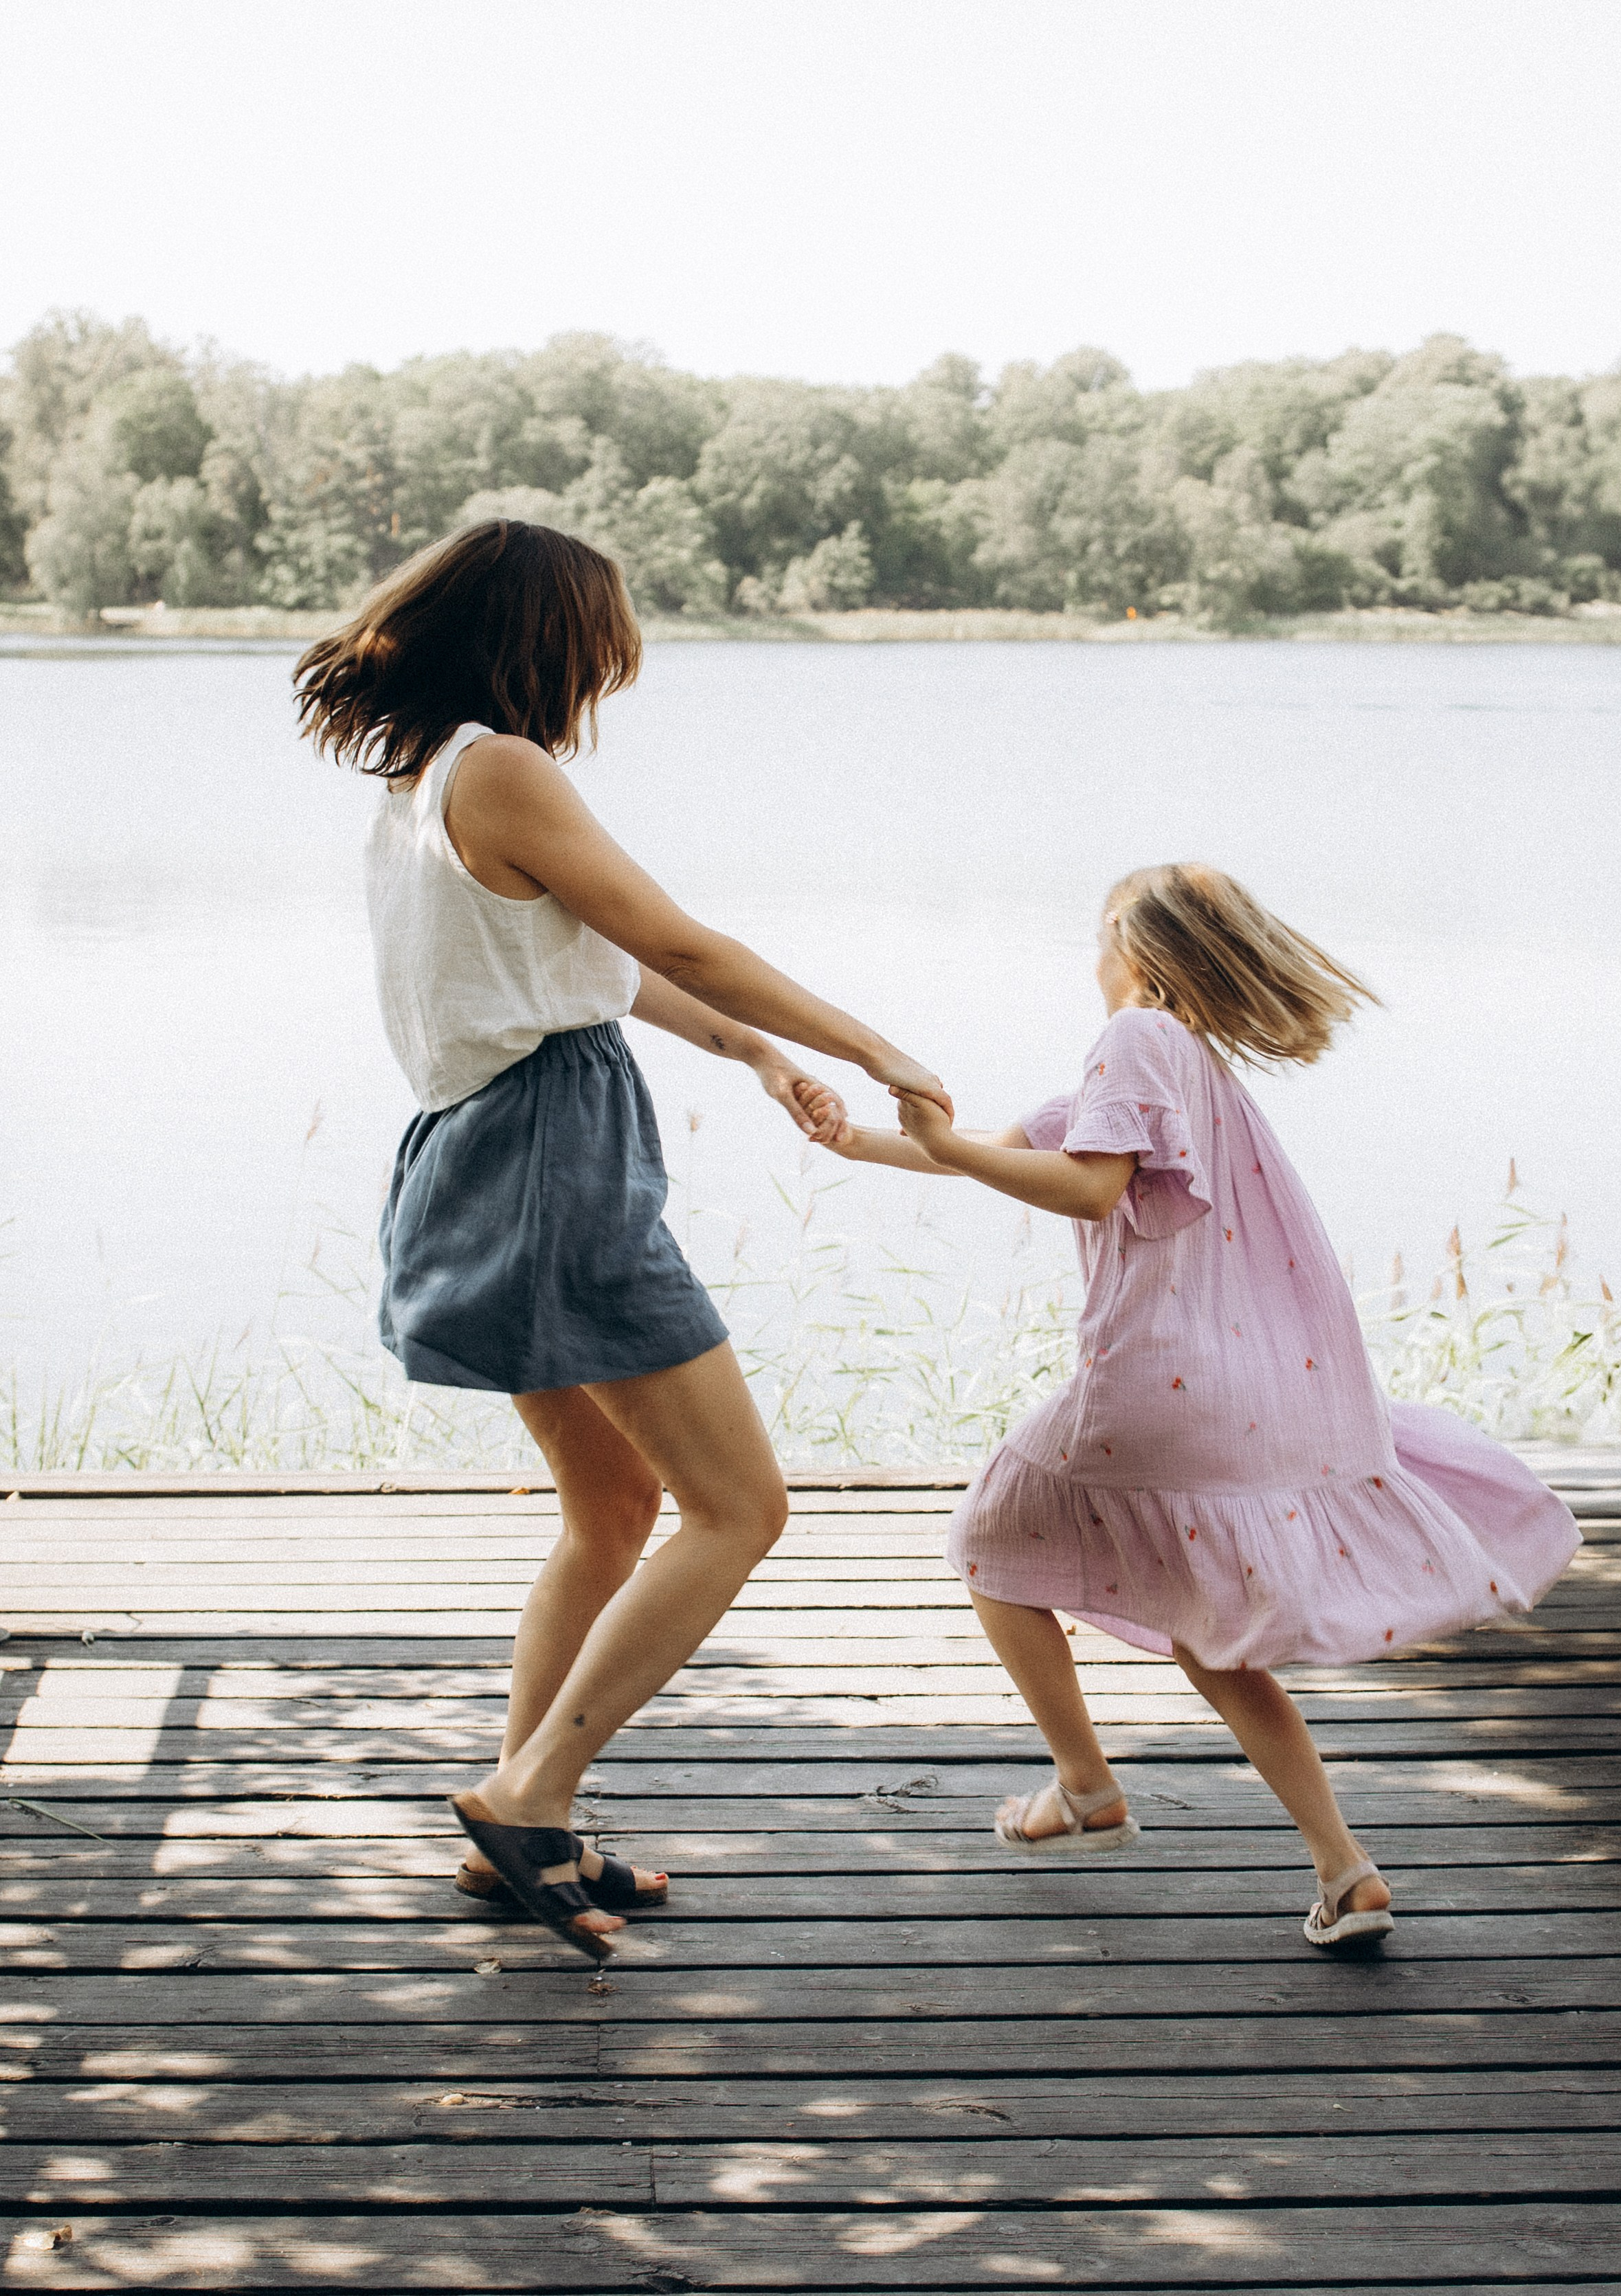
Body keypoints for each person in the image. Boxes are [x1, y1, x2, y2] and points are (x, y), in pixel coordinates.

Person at [295, 518, 948, 1963]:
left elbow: (598, 963)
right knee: (741, 1506)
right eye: (604, 636)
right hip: (552, 1161)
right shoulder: (506, 769)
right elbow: (684, 937)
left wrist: (755, 1059)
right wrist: (872, 1041)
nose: (612, 663)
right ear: (547, 637)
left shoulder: (424, 780)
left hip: (476, 1157)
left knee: (610, 1510)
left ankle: (523, 1827)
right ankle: (530, 1795)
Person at [802, 863, 1578, 1948]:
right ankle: (1346, 1869)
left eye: (1098, 929)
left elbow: (1085, 1188)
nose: (1091, 953)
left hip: (1149, 1381)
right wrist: (860, 1139)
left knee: (985, 1539)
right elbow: (1004, 1154)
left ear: (1135, 940)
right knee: (1216, 1636)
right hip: (1231, 1393)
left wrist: (938, 1145)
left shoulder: (1134, 1039)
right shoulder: (1190, 1065)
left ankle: (1083, 1785)